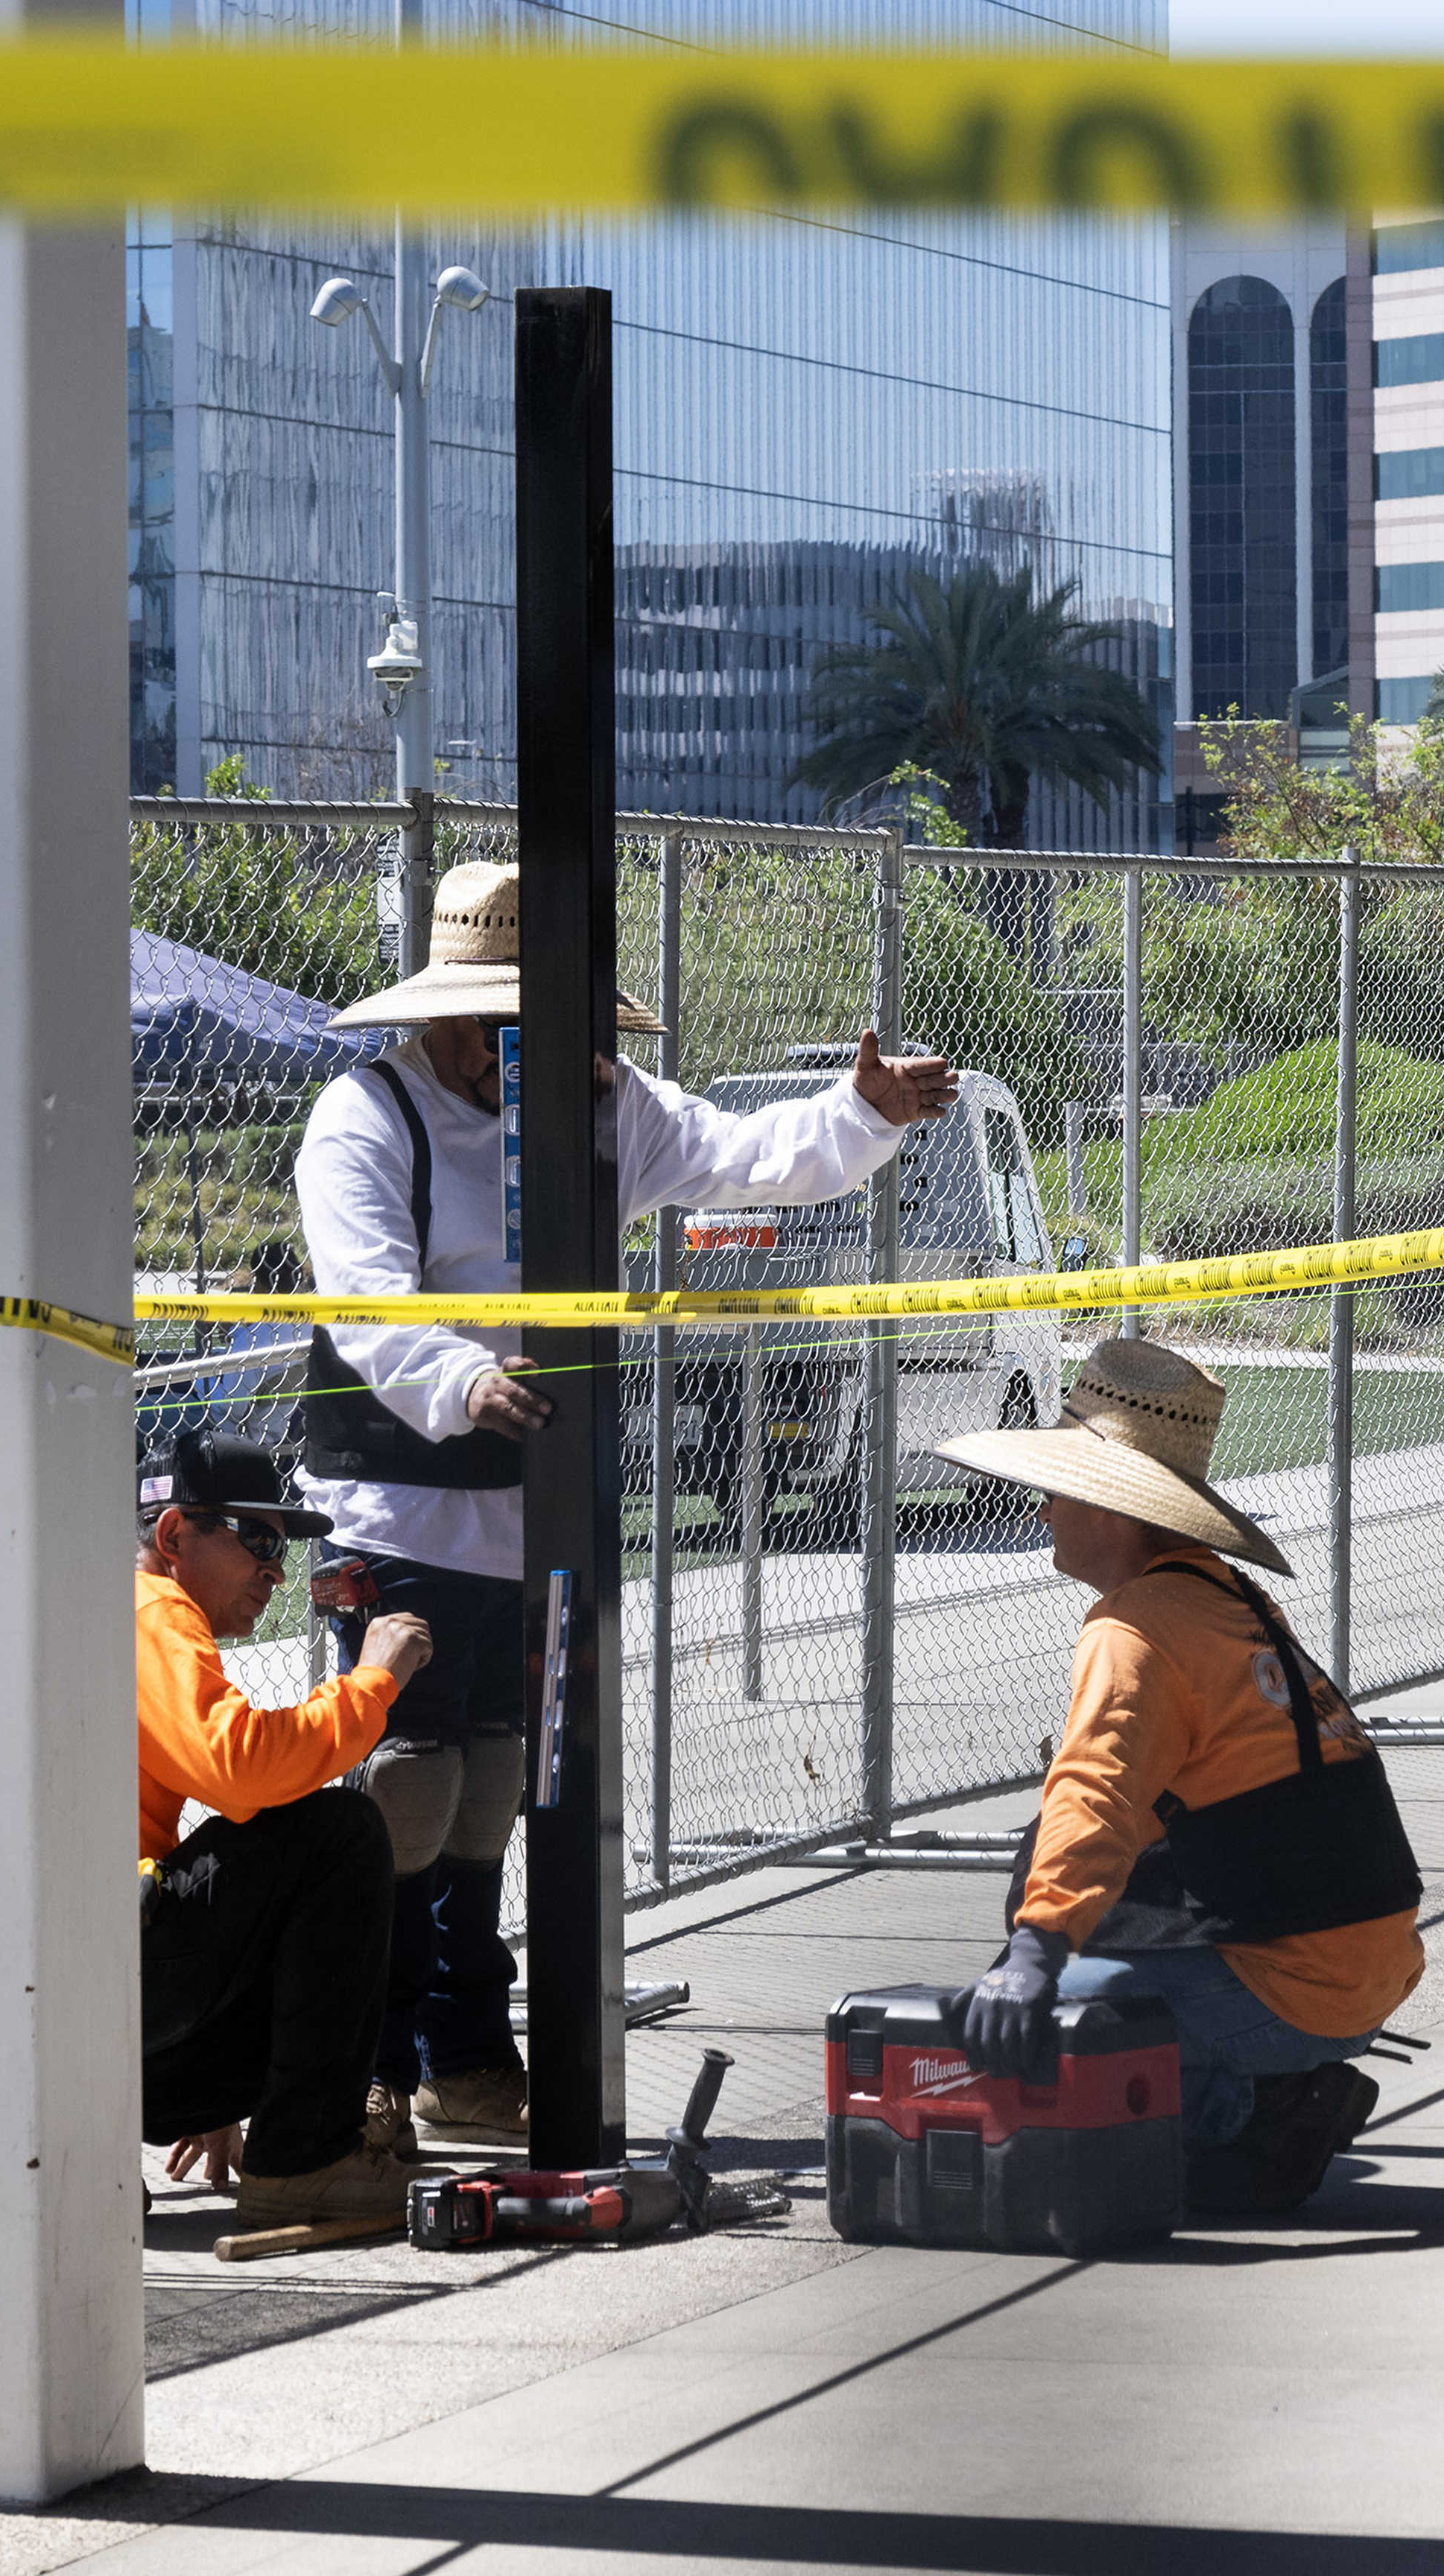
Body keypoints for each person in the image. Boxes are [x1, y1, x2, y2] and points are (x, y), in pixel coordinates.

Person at [298, 855, 957, 2142]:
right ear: (444, 1014)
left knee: (493, 1788)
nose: (532, 1050)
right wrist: (460, 1378)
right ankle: (362, 2069)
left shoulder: (598, 1106)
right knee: (406, 1791)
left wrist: (864, 1112)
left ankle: (465, 2052)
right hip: (401, 1514)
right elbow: (365, 1295)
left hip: (537, 1516)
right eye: (507, 1025)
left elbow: (753, 1155)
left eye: (550, 1025)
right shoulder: (370, 1118)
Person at [933, 1337, 1425, 2218]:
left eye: (1060, 1486)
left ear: (1114, 1507)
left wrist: (1034, 1955)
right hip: (1359, 1970)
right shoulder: (1231, 1599)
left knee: (1038, 2027)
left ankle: (1257, 2107)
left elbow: (1095, 1793)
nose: (1043, 1508)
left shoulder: (1137, 1628)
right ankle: (1280, 2078)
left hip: (1289, 1987)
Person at [136, 1430, 429, 2228]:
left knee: (278, 1851)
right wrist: (371, 1685)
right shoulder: (150, 1607)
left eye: (283, 1548)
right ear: (172, 1535)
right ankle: (303, 2161)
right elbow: (241, 1767)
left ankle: (75, 2147)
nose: (274, 1569)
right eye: (257, 1538)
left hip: (50, 2010)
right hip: (82, 1992)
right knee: (335, 1832)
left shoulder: (95, 1605)